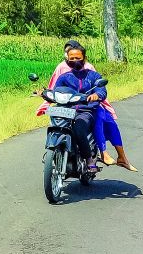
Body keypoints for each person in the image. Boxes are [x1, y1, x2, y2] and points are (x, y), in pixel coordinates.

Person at [50, 41, 138, 172]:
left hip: (85, 111)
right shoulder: (64, 77)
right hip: (66, 110)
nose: (75, 61)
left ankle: (89, 160)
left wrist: (97, 95)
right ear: (67, 60)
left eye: (78, 58)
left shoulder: (93, 76)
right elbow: (56, 91)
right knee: (55, 125)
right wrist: (45, 94)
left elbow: (102, 90)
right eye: (71, 58)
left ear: (84, 58)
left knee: (79, 129)